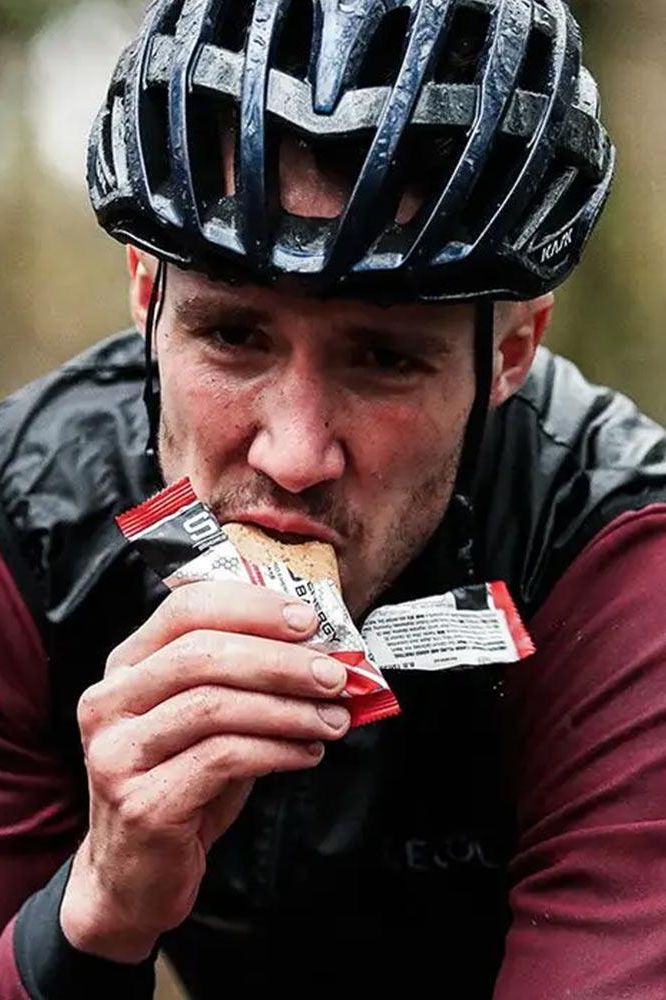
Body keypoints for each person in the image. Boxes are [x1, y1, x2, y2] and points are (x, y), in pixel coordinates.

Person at [2, 0, 666, 997]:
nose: (296, 452)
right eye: (233, 335)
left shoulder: (618, 565)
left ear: (512, 351)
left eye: (385, 356)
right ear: (145, 291)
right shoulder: (28, 527)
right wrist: (93, 913)